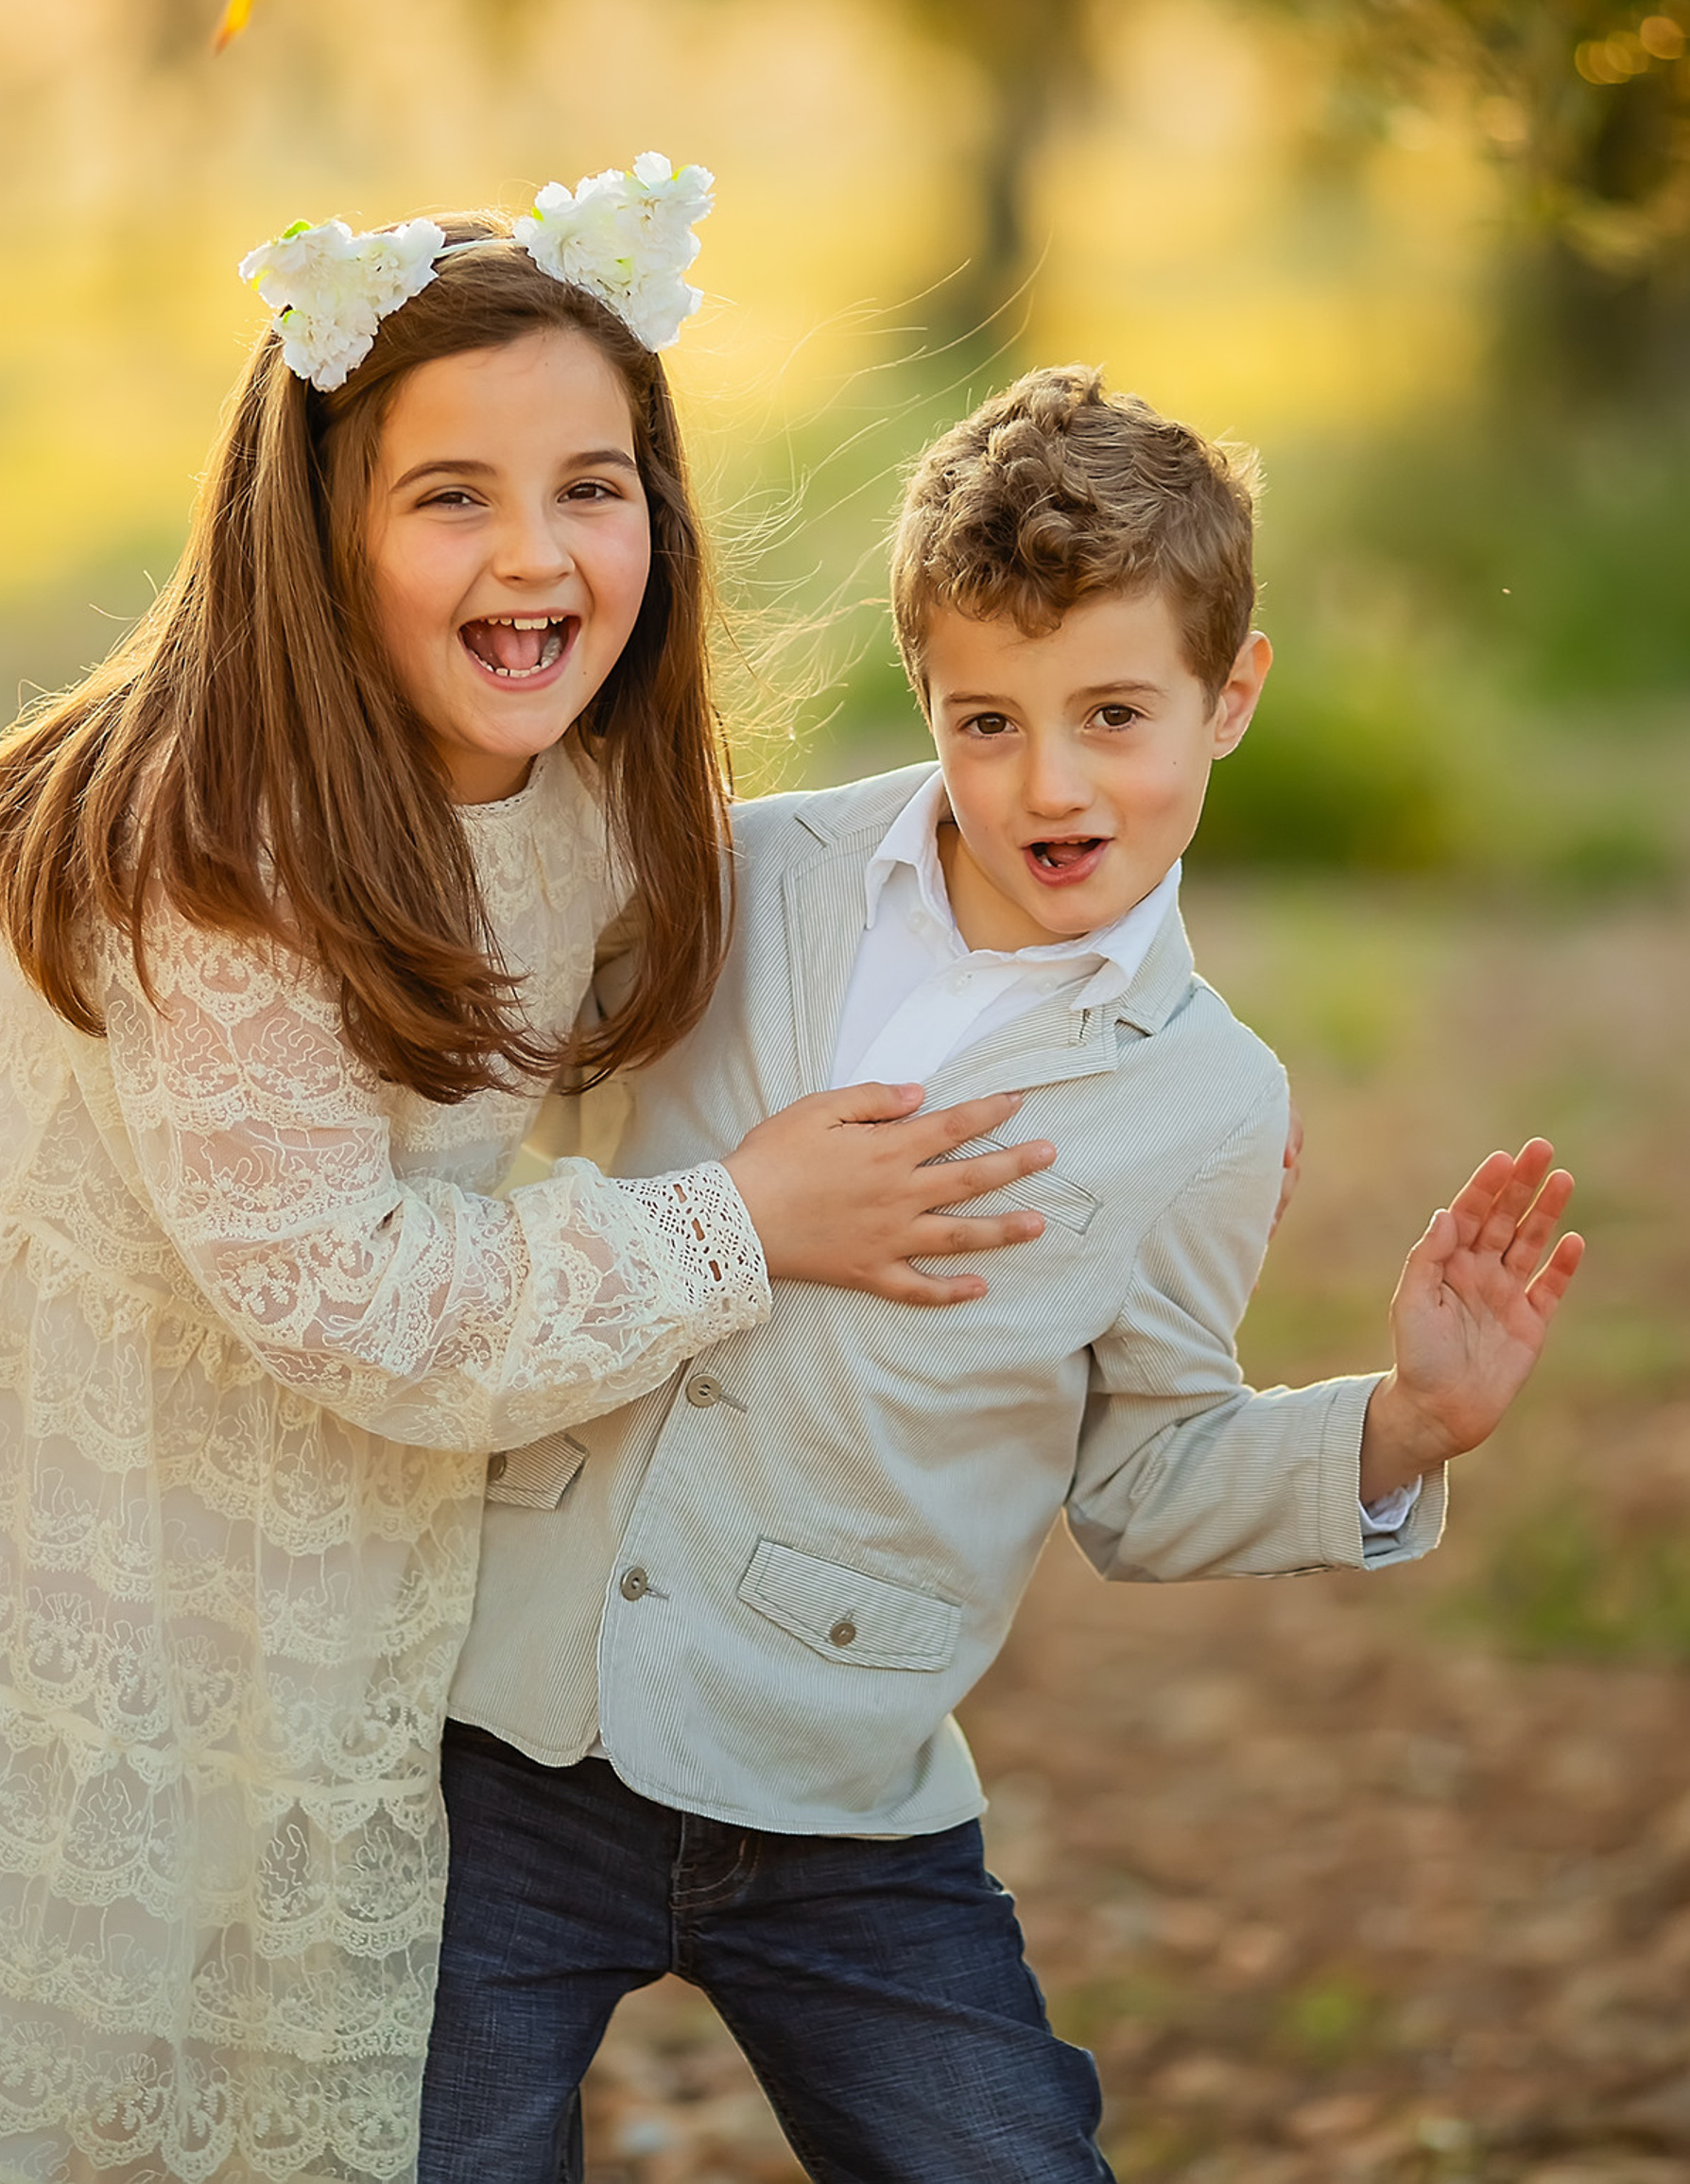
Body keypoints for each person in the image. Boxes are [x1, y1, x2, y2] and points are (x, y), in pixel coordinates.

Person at [0, 165, 1060, 2184]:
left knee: (247, 2041)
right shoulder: (214, 847)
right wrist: (738, 1224)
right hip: (28, 1493)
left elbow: (834, 902)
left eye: (589, 486)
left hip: (288, 1480)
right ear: (317, 529)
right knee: (19, 2017)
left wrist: (1113, 1031)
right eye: (451, 497)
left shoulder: (587, 769)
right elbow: (351, 1298)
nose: (534, 556)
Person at [421, 363, 1588, 2184]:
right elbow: (507, 1085)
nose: (1050, 785)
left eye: (1117, 713)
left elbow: (1142, 1474)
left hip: (846, 1788)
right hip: (521, 1723)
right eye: (989, 723)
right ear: (929, 699)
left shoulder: (1208, 1106)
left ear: (1234, 699)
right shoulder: (744, 871)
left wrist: (1401, 1424)